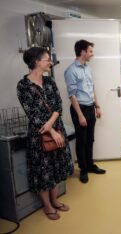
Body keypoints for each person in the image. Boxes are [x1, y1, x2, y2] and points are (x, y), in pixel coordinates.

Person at [17, 47, 73, 220]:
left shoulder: (50, 81)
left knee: (56, 168)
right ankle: (47, 206)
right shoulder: (23, 86)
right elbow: (32, 113)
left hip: (55, 129)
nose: (50, 62)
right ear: (36, 62)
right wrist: (51, 129)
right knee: (43, 171)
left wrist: (54, 127)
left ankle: (55, 200)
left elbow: (58, 105)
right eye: (47, 59)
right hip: (39, 135)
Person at [64, 39, 105, 184]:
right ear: (83, 52)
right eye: (90, 51)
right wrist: (80, 115)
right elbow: (72, 95)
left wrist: (97, 106)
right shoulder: (71, 70)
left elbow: (91, 88)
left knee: (90, 139)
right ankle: (83, 169)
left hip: (90, 107)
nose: (92, 54)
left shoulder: (88, 68)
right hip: (79, 108)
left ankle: (90, 165)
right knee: (82, 140)